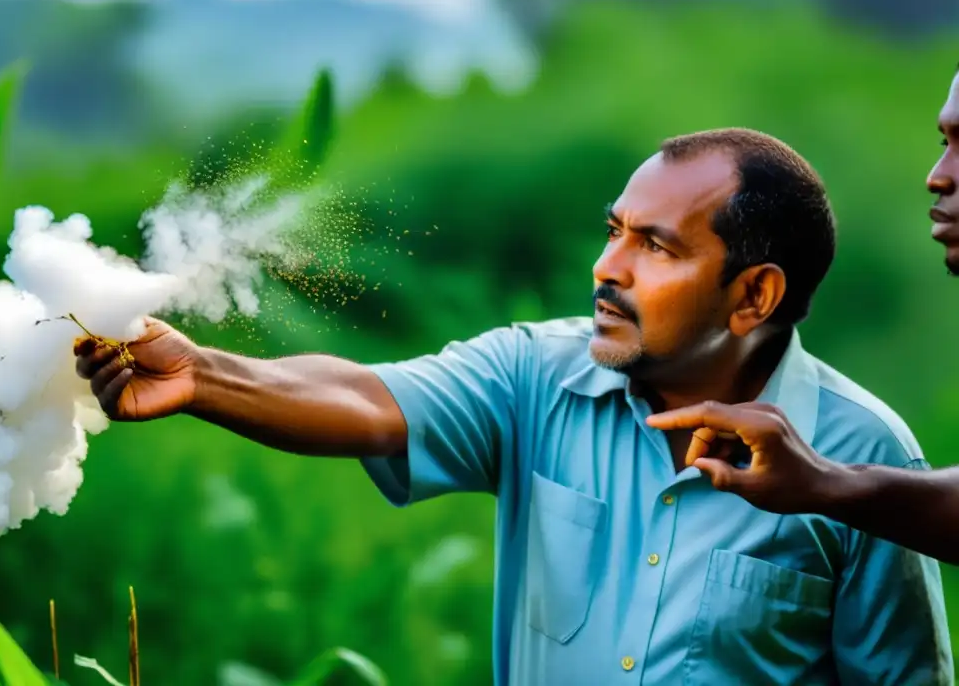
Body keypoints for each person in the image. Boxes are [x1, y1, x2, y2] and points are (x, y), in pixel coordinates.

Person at [75, 128, 953, 685]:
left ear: (753, 296)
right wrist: (206, 374)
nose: (609, 268)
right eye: (615, 231)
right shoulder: (535, 376)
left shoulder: (860, 455)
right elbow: (367, 398)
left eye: (656, 246)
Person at [647, 69, 959, 568]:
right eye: (944, 142)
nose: (938, 175)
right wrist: (823, 484)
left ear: (757, 294)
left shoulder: (866, 434)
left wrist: (828, 483)